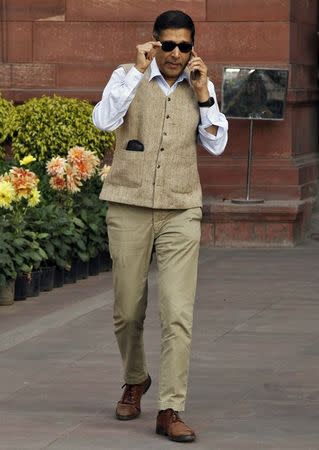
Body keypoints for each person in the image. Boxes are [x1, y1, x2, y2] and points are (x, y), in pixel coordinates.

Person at [92, 10, 228, 443]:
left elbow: (217, 143)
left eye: (183, 46)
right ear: (153, 42)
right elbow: (103, 120)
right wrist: (136, 72)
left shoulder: (200, 84)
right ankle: (136, 378)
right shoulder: (126, 75)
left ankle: (170, 407)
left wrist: (205, 93)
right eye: (167, 45)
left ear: (193, 47)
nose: (175, 54)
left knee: (177, 313)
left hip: (180, 208)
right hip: (128, 204)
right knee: (127, 310)